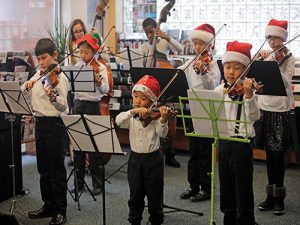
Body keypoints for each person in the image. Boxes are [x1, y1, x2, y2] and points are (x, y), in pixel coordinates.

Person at [22, 38, 69, 225]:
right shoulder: (37, 74)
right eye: (39, 59)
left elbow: (63, 106)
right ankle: (48, 205)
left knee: (56, 170)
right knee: (43, 170)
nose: (41, 63)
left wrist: (53, 98)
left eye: (45, 58)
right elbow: (23, 92)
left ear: (54, 55)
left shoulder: (61, 78)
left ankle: (60, 210)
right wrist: (26, 86)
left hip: (54, 125)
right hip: (40, 124)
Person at [115, 75, 170, 225]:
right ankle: (134, 221)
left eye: (143, 99)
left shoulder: (155, 117)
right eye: (135, 96)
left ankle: (156, 220)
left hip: (153, 160)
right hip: (135, 160)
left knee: (154, 196)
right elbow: (118, 121)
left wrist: (163, 120)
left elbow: (162, 134)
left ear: (153, 101)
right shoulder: (131, 116)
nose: (138, 101)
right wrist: (132, 112)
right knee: (135, 195)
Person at [216, 40, 260, 225]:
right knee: (225, 184)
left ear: (245, 70)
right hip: (224, 142)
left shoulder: (248, 91)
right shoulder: (220, 90)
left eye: (236, 67)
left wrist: (248, 96)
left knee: (242, 186)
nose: (231, 72)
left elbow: (254, 116)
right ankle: (229, 217)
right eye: (227, 67)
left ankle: (245, 220)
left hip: (241, 143)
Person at [254, 19, 295, 215]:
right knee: (269, 156)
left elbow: (285, 83)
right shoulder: (263, 56)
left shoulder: (289, 58)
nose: (272, 42)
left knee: (278, 156)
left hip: (280, 111)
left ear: (282, 38)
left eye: (276, 38)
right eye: (269, 37)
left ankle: (280, 198)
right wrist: (261, 61)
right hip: (264, 109)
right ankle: (270, 196)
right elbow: (254, 78)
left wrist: (275, 64)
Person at [179, 24, 220, 202]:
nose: (197, 47)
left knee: (205, 152)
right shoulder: (191, 62)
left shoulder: (212, 64)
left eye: (200, 44)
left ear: (209, 44)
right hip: (192, 108)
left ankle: (206, 187)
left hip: (206, 109)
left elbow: (213, 86)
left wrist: (204, 73)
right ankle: (193, 185)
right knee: (193, 150)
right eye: (194, 43)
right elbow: (180, 75)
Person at [139, 17, 183, 168]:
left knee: (170, 119)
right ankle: (153, 150)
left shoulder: (163, 42)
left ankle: (169, 152)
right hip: (151, 89)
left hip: (167, 87)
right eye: (147, 33)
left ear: (156, 29)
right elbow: (143, 66)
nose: (150, 36)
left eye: (151, 32)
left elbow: (180, 49)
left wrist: (167, 37)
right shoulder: (144, 47)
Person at [69, 33, 109, 196]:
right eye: (81, 52)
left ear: (93, 52)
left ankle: (97, 183)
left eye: (86, 52)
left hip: (93, 106)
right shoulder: (77, 67)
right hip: (78, 105)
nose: (83, 55)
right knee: (79, 146)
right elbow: (71, 87)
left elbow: (105, 90)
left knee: (94, 147)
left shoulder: (100, 67)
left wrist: (98, 82)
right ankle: (78, 184)